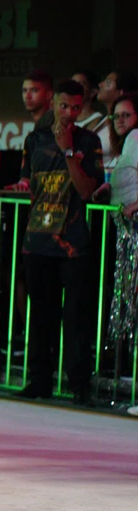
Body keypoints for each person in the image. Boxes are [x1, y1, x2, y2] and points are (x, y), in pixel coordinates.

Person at [14, 80, 105, 405]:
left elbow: (86, 190)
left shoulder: (89, 140)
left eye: (76, 108)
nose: (69, 113)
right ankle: (39, 380)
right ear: (54, 104)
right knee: (41, 315)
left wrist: (68, 151)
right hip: (37, 239)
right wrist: (22, 186)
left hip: (74, 242)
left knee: (77, 316)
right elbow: (28, 181)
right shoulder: (35, 139)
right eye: (64, 106)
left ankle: (79, 384)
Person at [106, 95, 138, 384]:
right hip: (128, 232)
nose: (120, 120)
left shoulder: (136, 138)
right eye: (116, 115)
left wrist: (135, 205)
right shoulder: (128, 142)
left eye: (126, 115)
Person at [73, 70, 114, 165]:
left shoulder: (101, 121)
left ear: (93, 92)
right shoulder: (65, 120)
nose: (73, 88)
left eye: (79, 84)